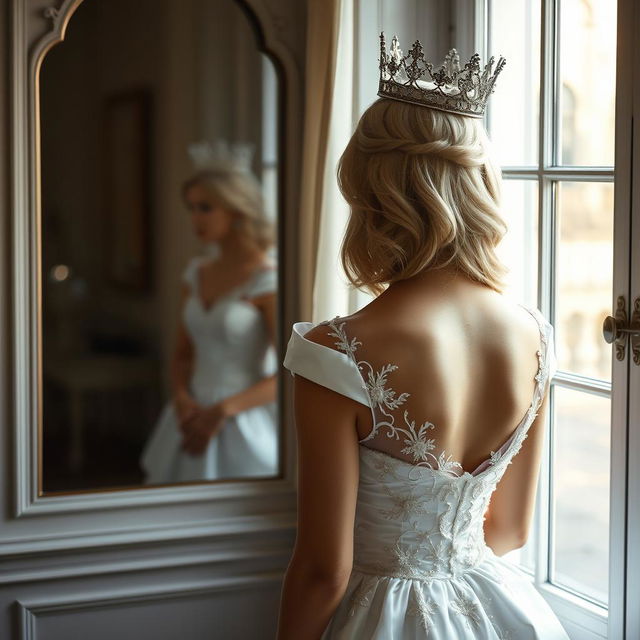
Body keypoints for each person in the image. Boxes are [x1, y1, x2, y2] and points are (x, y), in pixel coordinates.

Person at [277, 36, 569, 639]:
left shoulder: (339, 352)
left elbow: (323, 571)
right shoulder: (532, 332)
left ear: (370, 194)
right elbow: (510, 530)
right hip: (500, 611)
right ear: (477, 184)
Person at [140, 162, 279, 483]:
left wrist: (222, 411)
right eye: (190, 208)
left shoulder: (267, 281)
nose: (195, 218)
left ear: (236, 209)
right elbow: (182, 354)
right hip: (188, 414)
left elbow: (289, 373)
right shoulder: (196, 273)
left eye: (205, 207)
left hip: (242, 418)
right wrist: (180, 398)